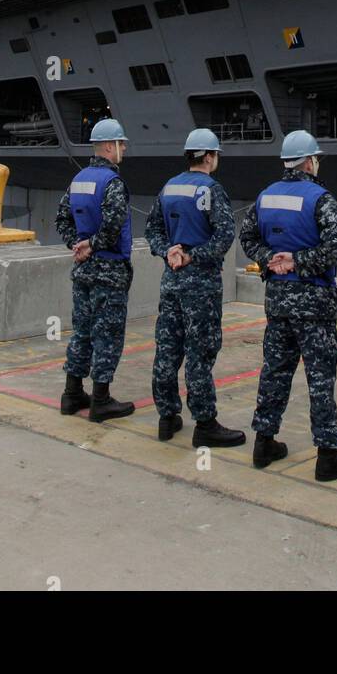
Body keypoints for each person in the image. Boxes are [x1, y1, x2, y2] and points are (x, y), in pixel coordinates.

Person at [239, 130, 337, 481]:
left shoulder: (265, 197)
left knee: (275, 371)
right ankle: (327, 455)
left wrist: (270, 259)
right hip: (314, 303)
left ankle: (264, 441)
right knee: (320, 378)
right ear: (309, 162)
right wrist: (299, 261)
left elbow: (246, 236)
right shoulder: (321, 198)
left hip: (277, 301)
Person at [146, 128, 245, 447]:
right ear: (209, 156)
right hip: (200, 282)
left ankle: (167, 416)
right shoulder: (212, 189)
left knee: (167, 347)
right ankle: (204, 423)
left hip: (171, 279)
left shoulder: (169, 187)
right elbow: (224, 236)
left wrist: (169, 252)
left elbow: (153, 230)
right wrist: (193, 255)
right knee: (200, 351)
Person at [55, 118, 136, 422]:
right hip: (109, 270)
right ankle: (101, 400)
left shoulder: (78, 180)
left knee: (83, 332)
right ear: (108, 146)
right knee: (108, 334)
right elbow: (114, 225)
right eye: (120, 143)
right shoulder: (112, 182)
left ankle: (72, 393)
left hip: (83, 270)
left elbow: (61, 219)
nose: (124, 148)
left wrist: (77, 245)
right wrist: (92, 244)